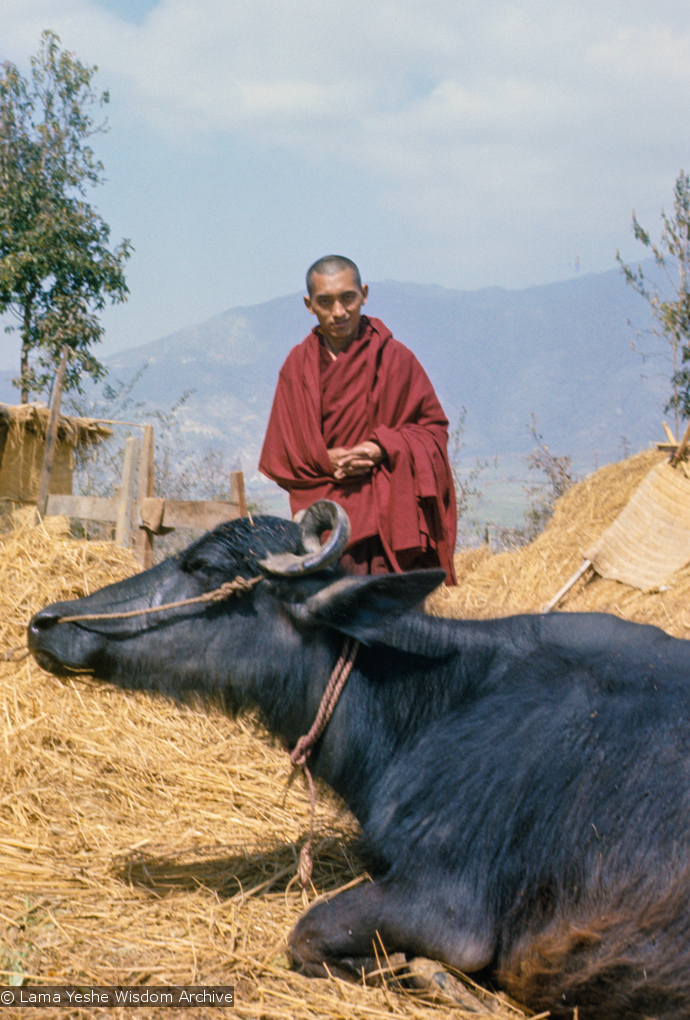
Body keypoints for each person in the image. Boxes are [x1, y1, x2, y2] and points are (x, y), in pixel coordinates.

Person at [259, 255, 457, 583]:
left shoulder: (396, 359)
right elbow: (284, 453)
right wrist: (324, 459)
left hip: (388, 515)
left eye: (348, 298)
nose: (339, 312)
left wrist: (383, 448)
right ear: (309, 305)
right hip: (326, 521)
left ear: (364, 294)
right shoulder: (298, 367)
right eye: (325, 302)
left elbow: (434, 431)